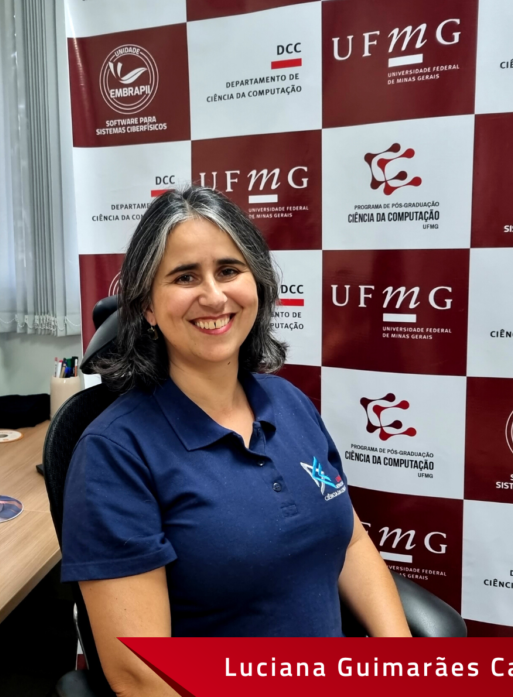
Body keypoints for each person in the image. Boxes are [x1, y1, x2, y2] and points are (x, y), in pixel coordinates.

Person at [61, 186, 410, 697]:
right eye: (185, 277)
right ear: (147, 307)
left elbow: (352, 542)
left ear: (257, 285)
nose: (214, 296)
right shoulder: (114, 455)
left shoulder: (288, 402)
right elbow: (141, 677)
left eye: (229, 270)